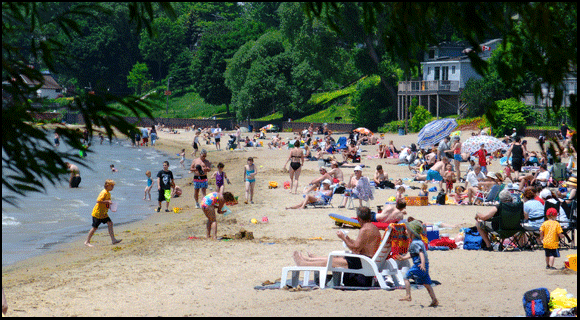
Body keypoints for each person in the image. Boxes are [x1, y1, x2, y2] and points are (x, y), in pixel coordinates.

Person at [292, 207, 382, 287]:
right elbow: (360, 244)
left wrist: (342, 238)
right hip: (366, 259)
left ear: (358, 218)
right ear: (370, 216)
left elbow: (355, 248)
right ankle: (309, 259)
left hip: (363, 262)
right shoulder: (373, 228)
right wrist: (348, 239)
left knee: (333, 261)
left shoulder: (364, 229)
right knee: (336, 258)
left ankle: (305, 264)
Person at [396, 220, 438, 307]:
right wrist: (403, 258)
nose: (406, 231)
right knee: (426, 283)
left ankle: (408, 295)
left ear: (412, 233)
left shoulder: (415, 243)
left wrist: (421, 264)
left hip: (419, 265)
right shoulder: (419, 242)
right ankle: (434, 299)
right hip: (425, 265)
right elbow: (413, 254)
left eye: (408, 230)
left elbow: (421, 253)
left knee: (406, 277)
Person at [84, 179, 122, 247]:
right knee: (94, 228)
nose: (113, 187)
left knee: (110, 223)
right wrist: (107, 202)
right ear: (107, 186)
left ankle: (113, 240)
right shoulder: (104, 192)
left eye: (113, 186)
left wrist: (111, 207)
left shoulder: (108, 193)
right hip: (97, 213)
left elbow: (107, 203)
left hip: (104, 213)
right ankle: (87, 241)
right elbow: (98, 201)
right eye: (111, 186)